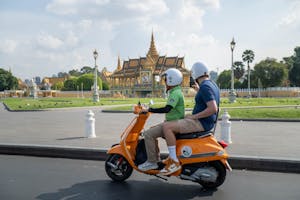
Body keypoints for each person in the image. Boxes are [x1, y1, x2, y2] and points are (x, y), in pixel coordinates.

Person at [160, 61, 220, 175]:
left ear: (195, 75)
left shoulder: (205, 87)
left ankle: (174, 161)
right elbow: (207, 97)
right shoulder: (211, 84)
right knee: (173, 125)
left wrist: (193, 116)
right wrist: (198, 90)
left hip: (200, 123)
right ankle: (174, 156)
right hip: (206, 122)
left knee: (167, 127)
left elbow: (213, 108)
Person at [138, 68, 185, 171]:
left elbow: (167, 109)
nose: (164, 82)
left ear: (171, 80)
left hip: (172, 124)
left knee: (148, 134)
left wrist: (149, 109)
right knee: (151, 131)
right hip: (171, 123)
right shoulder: (175, 92)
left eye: (166, 79)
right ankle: (155, 159)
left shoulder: (175, 93)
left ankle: (151, 162)